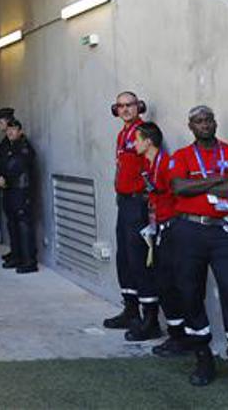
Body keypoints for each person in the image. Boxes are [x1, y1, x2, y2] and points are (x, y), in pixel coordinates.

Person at [168, 105, 228, 401]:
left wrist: (202, 186)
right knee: (189, 293)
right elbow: (179, 187)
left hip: (224, 231)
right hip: (188, 231)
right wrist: (218, 180)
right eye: (198, 121)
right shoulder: (181, 156)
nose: (205, 124)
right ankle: (203, 357)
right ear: (190, 126)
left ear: (215, 123)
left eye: (208, 119)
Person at [131, 122, 186, 355]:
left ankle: (181, 337)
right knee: (163, 283)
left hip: (172, 229)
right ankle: (175, 334)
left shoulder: (167, 164)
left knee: (171, 284)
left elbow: (175, 195)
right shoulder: (150, 164)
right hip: (159, 227)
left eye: (137, 139)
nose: (134, 144)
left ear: (148, 142)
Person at [104, 92, 150, 330]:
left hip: (137, 203)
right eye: (120, 106)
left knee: (138, 257)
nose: (124, 110)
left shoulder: (145, 133)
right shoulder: (122, 134)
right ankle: (130, 309)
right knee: (124, 257)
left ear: (139, 106)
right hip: (124, 201)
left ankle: (147, 316)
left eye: (129, 105)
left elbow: (150, 167)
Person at [0, 117, 38, 274]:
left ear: (20, 131)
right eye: (9, 129)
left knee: (23, 225)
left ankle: (29, 261)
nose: (10, 132)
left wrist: (4, 177)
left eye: (14, 129)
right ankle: (17, 256)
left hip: (21, 190)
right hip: (10, 190)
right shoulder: (7, 147)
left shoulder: (24, 147)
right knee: (12, 224)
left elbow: (17, 166)